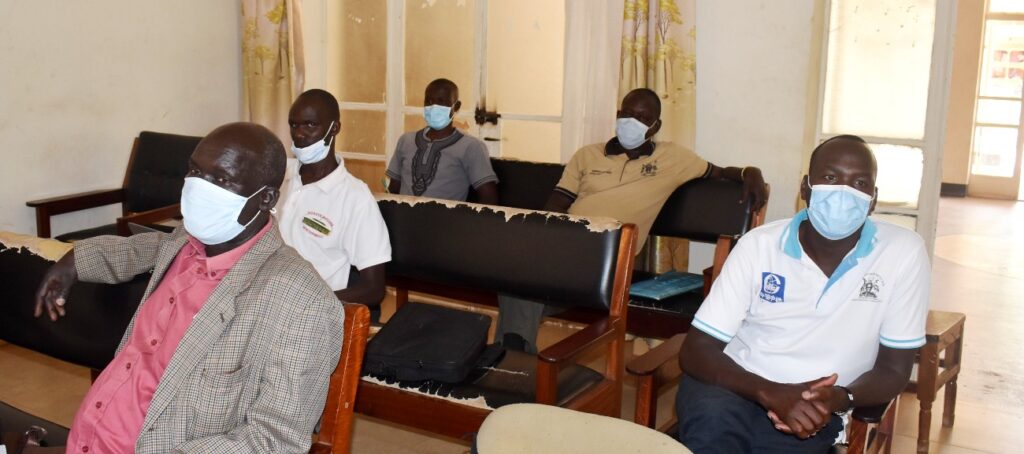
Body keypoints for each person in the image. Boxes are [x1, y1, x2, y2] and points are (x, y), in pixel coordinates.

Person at [34, 123, 343, 453]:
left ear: (265, 198)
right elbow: (144, 248)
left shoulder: (300, 302)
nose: (198, 187)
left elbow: (273, 439)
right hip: (84, 439)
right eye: (195, 171)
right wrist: (75, 261)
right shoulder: (188, 239)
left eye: (220, 180)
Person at [676, 135, 929, 453]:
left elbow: (894, 369)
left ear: (873, 198)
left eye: (859, 182)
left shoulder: (902, 253)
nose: (843, 192)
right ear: (806, 188)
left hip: (817, 406)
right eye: (831, 177)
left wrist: (838, 397)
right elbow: (696, 350)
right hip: (735, 387)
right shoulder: (759, 245)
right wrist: (770, 392)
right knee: (712, 436)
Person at [495, 88, 769, 353]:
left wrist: (751, 171)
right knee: (519, 272)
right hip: (568, 246)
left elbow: (720, 172)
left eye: (642, 117)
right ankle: (513, 353)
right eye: (626, 113)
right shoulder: (587, 155)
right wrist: (542, 237)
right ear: (617, 114)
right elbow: (556, 204)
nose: (631, 121)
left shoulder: (673, 158)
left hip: (610, 259)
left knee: (524, 283)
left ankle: (511, 355)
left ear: (655, 125)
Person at [279, 89, 391, 321]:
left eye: (310, 125)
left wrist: (312, 302)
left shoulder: (355, 198)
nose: (299, 134)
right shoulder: (277, 175)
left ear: (335, 128)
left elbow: (373, 289)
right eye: (293, 125)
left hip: (310, 315)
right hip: (263, 302)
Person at [386, 78, 499, 204]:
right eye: (428, 101)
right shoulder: (406, 140)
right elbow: (393, 189)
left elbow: (488, 198)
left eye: (441, 102)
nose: (433, 107)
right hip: (404, 219)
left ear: (456, 106)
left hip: (446, 221)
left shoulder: (471, 146)